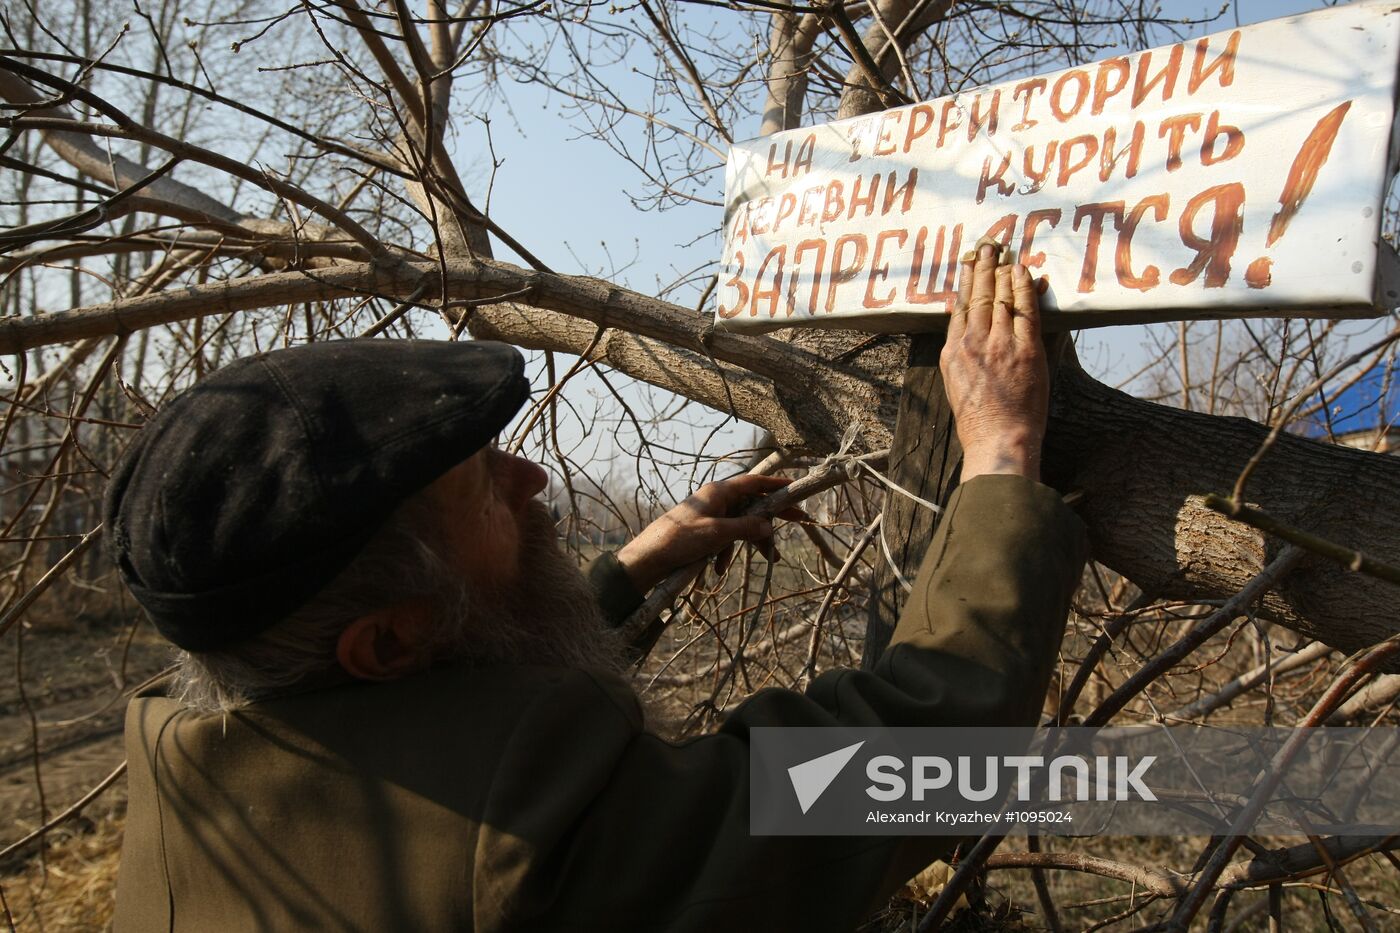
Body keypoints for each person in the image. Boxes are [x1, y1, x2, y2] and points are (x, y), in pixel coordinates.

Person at [106, 243, 1086, 931]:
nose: (530, 478)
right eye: (481, 487)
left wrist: (631, 567)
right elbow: (912, 752)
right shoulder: (515, 852)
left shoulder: (183, 742)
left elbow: (440, 707)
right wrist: (999, 455)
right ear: (390, 643)